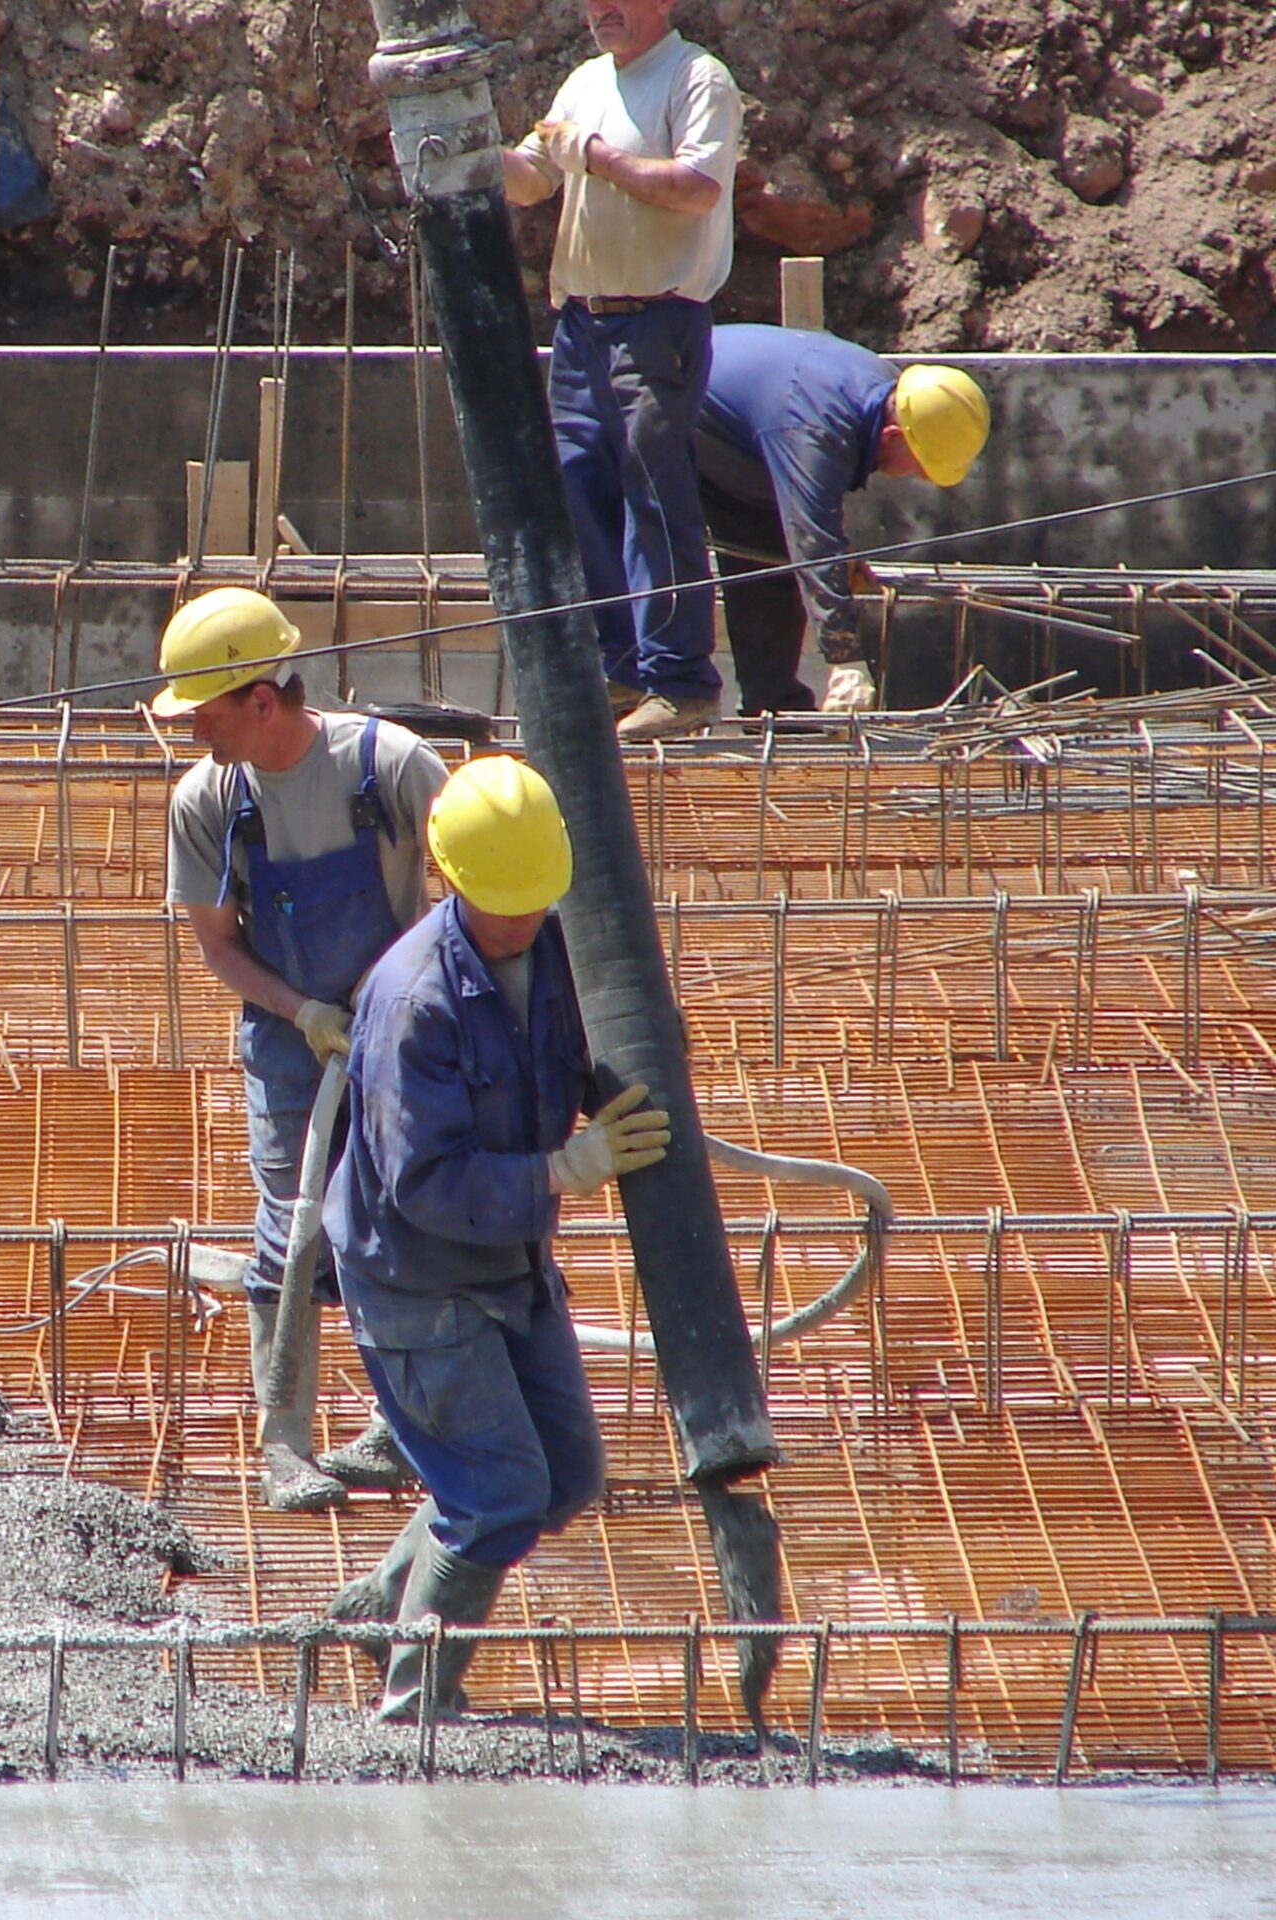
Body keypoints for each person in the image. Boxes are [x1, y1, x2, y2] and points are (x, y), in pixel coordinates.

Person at [322, 755, 671, 1719]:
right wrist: (564, 1171)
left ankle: (383, 1608)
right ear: (449, 875)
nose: (518, 920)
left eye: (532, 900)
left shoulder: (546, 940)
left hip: (511, 1260)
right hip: (417, 1279)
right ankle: (414, 1707)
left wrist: (604, 1094)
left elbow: (553, 1058)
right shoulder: (412, 1002)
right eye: (499, 902)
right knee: (498, 1497)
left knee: (562, 1476)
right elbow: (423, 1182)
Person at [159, 588, 449, 1512]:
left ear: (259, 698)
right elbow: (216, 944)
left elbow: (479, 894)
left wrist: (401, 994)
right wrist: (303, 1013)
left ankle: (406, 1430)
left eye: (204, 710)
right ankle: (284, 1442)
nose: (191, 728)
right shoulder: (209, 799)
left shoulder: (388, 765)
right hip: (292, 1042)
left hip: (402, 1036)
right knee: (292, 1231)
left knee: (407, 1222)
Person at [504, 0, 741, 743]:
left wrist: (596, 156)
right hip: (583, 321)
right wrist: (464, 149)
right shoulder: (582, 83)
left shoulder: (698, 79)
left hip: (657, 320)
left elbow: (698, 188)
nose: (600, 11)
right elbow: (529, 179)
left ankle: (680, 681)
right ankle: (619, 667)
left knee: (654, 496)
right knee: (575, 484)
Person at [698, 326, 992, 715]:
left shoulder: (883, 392)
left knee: (768, 559)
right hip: (648, 410)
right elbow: (813, 540)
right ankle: (668, 688)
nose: (919, 477)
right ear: (891, 436)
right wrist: (845, 659)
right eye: (921, 466)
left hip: (734, 437)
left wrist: (841, 553)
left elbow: (813, 518)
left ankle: (773, 709)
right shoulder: (816, 427)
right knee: (666, 556)